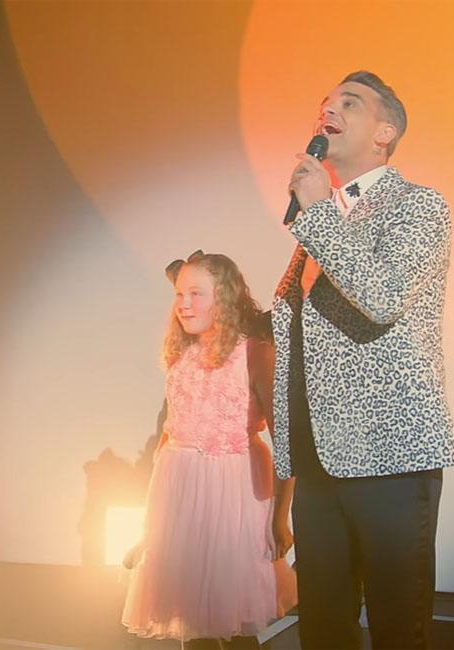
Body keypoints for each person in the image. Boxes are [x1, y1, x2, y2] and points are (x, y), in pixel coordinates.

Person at [271, 71, 454, 649]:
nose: (328, 110)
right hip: (318, 458)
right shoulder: (324, 221)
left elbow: (381, 297)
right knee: (324, 627)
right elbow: (300, 329)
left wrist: (315, 214)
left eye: (348, 104)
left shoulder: (418, 205)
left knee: (397, 624)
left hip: (390, 454)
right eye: (324, 103)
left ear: (385, 133)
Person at [122, 251, 296, 649]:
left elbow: (286, 441)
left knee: (231, 613)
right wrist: (151, 524)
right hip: (179, 491)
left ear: (225, 296)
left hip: (233, 493)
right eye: (179, 294)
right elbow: (169, 434)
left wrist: (280, 519)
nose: (184, 304)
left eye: (196, 293)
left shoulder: (255, 353)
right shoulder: (180, 354)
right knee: (190, 612)